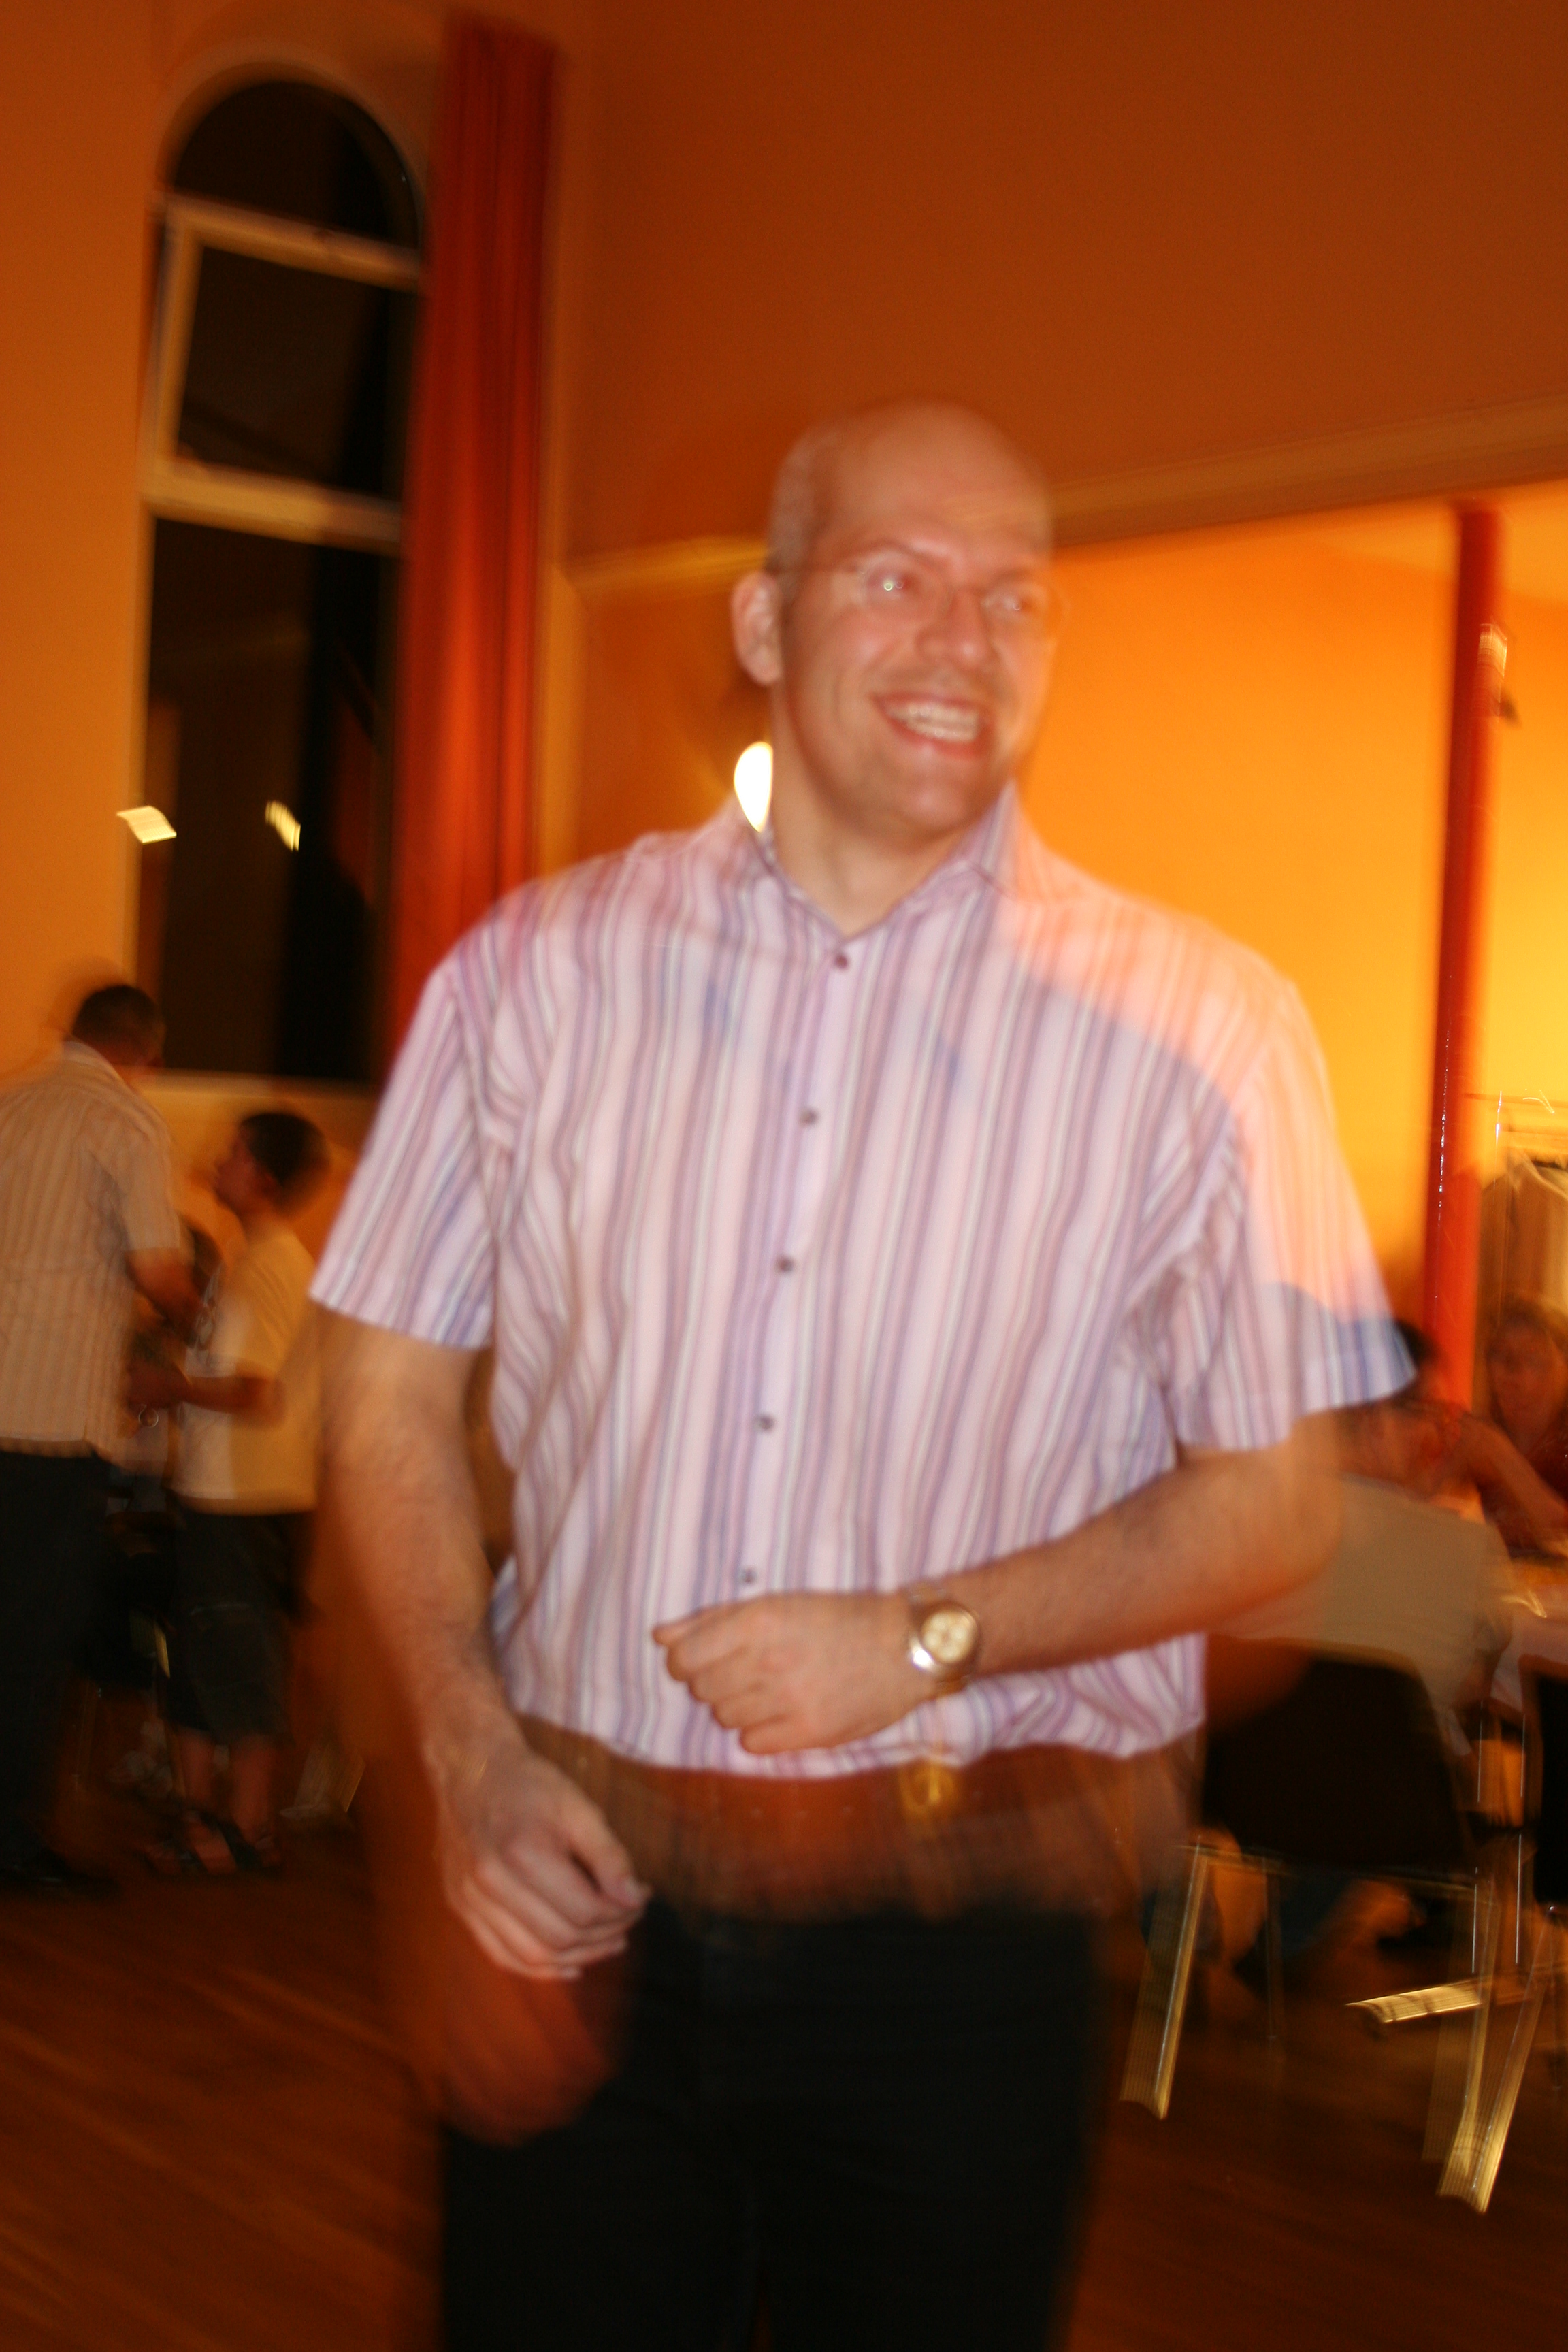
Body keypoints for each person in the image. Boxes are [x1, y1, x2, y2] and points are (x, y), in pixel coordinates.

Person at [313, 402, 1407, 2349]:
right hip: (578, 1890)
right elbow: (382, 1402)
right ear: (763, 620)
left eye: (1016, 596)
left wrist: (926, 1635)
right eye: (896, 576)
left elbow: (1278, 1504)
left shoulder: (1208, 1032)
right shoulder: (533, 978)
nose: (963, 638)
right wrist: (469, 1764)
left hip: (964, 1944)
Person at [0, 983, 201, 1891]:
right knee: (34, 1639)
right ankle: (13, 1844)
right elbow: (158, 1270)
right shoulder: (125, 1120)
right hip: (54, 1420)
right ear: (144, 1053)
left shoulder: (11, 1104)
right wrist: (197, 1316)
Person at [132, 1112, 329, 1874]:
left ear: (267, 1181)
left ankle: (245, 1831)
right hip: (225, 1497)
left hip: (247, 1502)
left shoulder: (272, 1267)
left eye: (238, 1153)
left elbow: (256, 1392)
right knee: (206, 1656)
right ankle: (212, 1822)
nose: (220, 1159)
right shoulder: (253, 1263)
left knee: (240, 1661)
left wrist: (169, 1387)